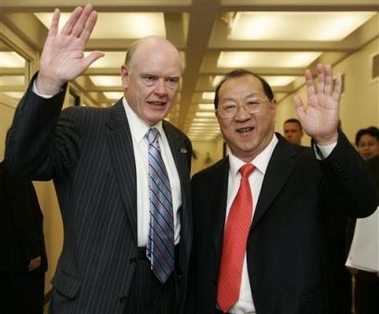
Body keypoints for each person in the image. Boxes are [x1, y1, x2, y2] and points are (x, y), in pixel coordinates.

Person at [4, 4, 192, 314]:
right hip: (96, 294)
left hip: (164, 295)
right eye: (150, 78)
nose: (162, 90)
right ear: (125, 76)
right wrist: (49, 83)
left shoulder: (179, 142)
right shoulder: (83, 125)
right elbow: (22, 162)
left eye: (171, 80)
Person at [187, 65, 378, 314]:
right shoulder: (202, 184)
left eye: (252, 103)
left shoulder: (313, 167)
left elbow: (362, 202)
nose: (242, 115)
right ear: (218, 116)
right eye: (229, 107)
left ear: (273, 107)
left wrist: (329, 139)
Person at [0, 161, 47, 314]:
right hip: (22, 262)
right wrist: (33, 252)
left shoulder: (4, 171)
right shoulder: (15, 171)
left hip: (8, 259)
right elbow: (22, 214)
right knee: (28, 305)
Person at [348, 126, 379, 314]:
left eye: (371, 144)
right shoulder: (356, 174)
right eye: (362, 145)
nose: (366, 149)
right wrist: (351, 257)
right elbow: (352, 220)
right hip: (363, 260)